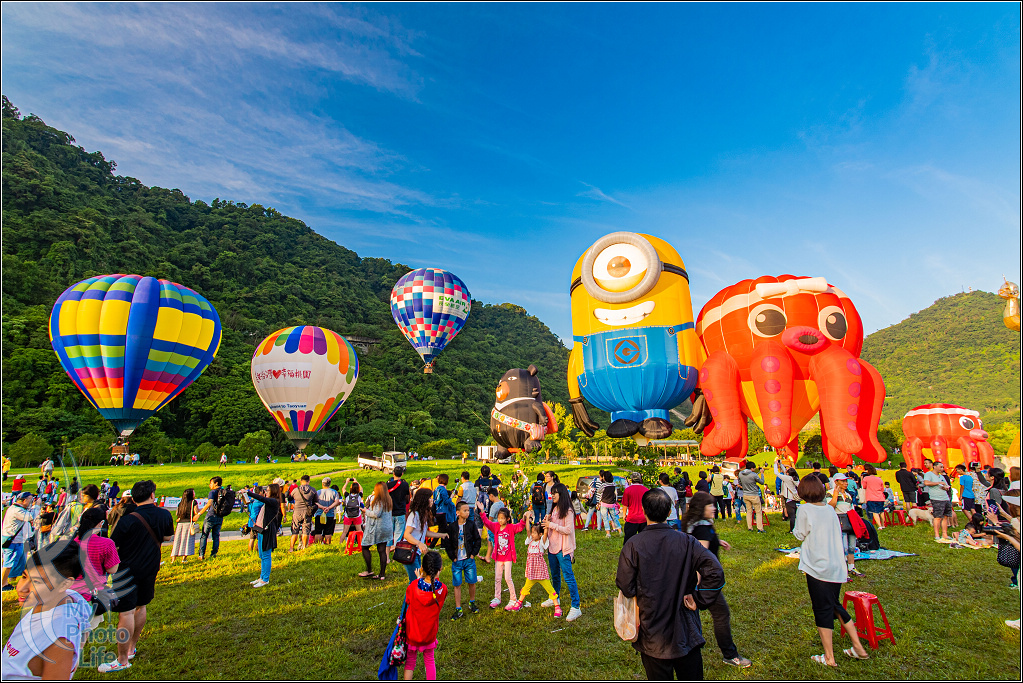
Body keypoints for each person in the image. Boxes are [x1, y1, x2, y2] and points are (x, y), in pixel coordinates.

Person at [615, 489, 725, 680]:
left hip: (652, 631)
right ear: (669, 512)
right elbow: (715, 571)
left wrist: (699, 598)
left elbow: (626, 585)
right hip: (685, 630)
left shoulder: (633, 545)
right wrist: (700, 598)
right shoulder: (687, 541)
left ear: (643, 511)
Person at [792, 475, 870, 668]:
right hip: (836, 565)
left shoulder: (805, 509)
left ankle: (829, 657)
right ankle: (858, 647)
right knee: (834, 604)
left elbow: (799, 534)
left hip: (818, 567)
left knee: (822, 609)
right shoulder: (829, 509)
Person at [100, 480, 174, 673]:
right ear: (152, 495)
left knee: (126, 612)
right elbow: (167, 537)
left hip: (126, 570)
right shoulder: (165, 514)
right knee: (141, 606)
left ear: (133, 498)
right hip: (150, 567)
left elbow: (113, 544)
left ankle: (122, 660)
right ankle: (131, 647)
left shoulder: (127, 520)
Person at [2, 541, 94, 680]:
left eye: (37, 582)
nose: (21, 588)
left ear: (64, 584)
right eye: (24, 576)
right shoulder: (58, 599)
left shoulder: (58, 637)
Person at [680, 491, 752, 668]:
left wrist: (716, 541)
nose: (714, 508)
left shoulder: (692, 523)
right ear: (701, 508)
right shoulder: (703, 528)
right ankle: (730, 655)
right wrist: (695, 585)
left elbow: (696, 542)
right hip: (706, 581)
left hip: (696, 580)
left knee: (688, 614)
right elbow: (698, 558)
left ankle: (686, 645)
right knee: (721, 614)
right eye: (710, 505)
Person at [403, 550, 447, 681]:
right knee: (429, 660)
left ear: (422, 568)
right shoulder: (443, 589)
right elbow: (434, 589)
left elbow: (408, 600)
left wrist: (418, 579)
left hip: (412, 631)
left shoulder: (413, 586)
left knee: (410, 662)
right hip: (429, 633)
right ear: (440, 568)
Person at [507, 511, 560, 615]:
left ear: (540, 534)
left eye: (534, 533)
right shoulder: (530, 540)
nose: (532, 534)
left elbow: (545, 533)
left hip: (541, 572)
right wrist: (527, 518)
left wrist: (547, 522)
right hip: (531, 573)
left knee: (550, 588)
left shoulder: (542, 542)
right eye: (532, 532)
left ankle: (557, 606)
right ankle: (519, 602)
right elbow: (527, 529)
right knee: (526, 587)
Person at [545, 482, 582, 621]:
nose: (552, 495)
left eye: (555, 493)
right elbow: (552, 527)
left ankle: (576, 606)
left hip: (563, 549)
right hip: (552, 548)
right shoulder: (554, 509)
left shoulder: (568, 511)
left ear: (561, 494)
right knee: (555, 575)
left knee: (568, 577)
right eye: (552, 492)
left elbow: (568, 530)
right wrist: (547, 521)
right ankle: (555, 598)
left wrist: (551, 524)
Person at [481, 504, 526, 609]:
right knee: (497, 578)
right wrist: (482, 512)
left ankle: (513, 599)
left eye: (502, 518)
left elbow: (520, 527)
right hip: (498, 558)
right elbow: (487, 523)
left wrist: (524, 519)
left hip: (508, 558)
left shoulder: (511, 528)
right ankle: (497, 597)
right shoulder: (496, 526)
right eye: (499, 518)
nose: (500, 520)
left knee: (507, 578)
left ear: (508, 519)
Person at [70, 507, 120, 601]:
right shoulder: (107, 543)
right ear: (101, 523)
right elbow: (112, 569)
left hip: (72, 593)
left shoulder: (72, 543)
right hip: (93, 593)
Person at [442, 500, 481, 619]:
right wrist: (452, 557)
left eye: (468, 510)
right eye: (465, 510)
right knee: (457, 584)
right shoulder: (452, 527)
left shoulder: (471, 525)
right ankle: (458, 608)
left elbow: (477, 540)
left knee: (472, 581)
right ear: (458, 512)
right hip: (457, 560)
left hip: (468, 559)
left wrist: (473, 554)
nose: (467, 512)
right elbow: (447, 543)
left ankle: (472, 602)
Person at [403, 488, 449, 584]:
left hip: (416, 552)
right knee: (415, 581)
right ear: (423, 500)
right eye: (430, 498)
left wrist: (441, 535)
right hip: (409, 551)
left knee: (418, 580)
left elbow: (425, 532)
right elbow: (407, 534)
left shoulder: (422, 514)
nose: (432, 500)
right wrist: (419, 543)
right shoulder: (414, 515)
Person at [825, 474, 864, 578]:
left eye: (846, 481)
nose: (845, 483)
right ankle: (842, 569)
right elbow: (830, 507)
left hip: (850, 521)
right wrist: (836, 494)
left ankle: (851, 567)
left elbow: (851, 509)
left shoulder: (848, 495)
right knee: (843, 547)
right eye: (842, 481)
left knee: (851, 546)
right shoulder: (830, 493)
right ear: (836, 482)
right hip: (839, 520)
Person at [246, 483, 282, 588]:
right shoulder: (270, 501)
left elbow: (261, 498)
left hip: (268, 531)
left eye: (268, 490)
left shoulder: (274, 501)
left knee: (266, 555)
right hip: (262, 529)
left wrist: (248, 493)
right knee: (261, 555)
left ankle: (265, 579)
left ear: (273, 491)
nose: (266, 492)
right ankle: (262, 577)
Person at [2, 492, 37, 592]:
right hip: (12, 541)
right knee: (8, 563)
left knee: (18, 562)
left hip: (16, 540)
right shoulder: (17, 510)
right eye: (30, 500)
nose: (32, 502)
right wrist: (37, 506)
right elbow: (31, 517)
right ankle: (3, 585)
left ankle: (9, 581)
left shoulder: (15, 508)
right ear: (24, 500)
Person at [359, 482, 393, 580]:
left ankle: (369, 570)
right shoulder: (388, 499)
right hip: (387, 527)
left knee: (365, 546)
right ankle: (382, 574)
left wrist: (366, 511)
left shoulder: (377, 500)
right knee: (382, 550)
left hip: (377, 527)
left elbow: (376, 514)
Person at [196, 477, 229, 560]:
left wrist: (199, 514)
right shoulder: (224, 492)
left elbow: (209, 503)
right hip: (220, 516)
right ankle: (214, 554)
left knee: (204, 535)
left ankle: (201, 554)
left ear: (216, 483)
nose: (210, 485)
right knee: (216, 536)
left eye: (211, 483)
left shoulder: (213, 492)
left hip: (211, 516)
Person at [924, 462, 953, 543]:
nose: (942, 469)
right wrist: (938, 483)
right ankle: (937, 535)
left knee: (946, 516)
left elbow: (945, 485)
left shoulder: (941, 476)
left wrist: (945, 487)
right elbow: (926, 483)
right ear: (935, 466)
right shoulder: (929, 474)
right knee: (938, 517)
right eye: (940, 467)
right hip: (936, 498)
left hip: (945, 497)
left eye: (943, 467)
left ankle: (945, 534)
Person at [289, 475, 318, 552]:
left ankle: (291, 548)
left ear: (301, 481)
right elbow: (316, 501)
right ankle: (304, 547)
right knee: (306, 530)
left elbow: (290, 498)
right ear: (309, 481)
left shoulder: (296, 490)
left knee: (295, 530)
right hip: (307, 512)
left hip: (297, 511)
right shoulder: (312, 490)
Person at [387, 466, 411, 561]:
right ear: (402, 474)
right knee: (398, 535)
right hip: (400, 511)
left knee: (389, 534)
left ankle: (387, 557)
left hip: (390, 512)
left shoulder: (388, 485)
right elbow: (407, 497)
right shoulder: (405, 485)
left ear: (393, 473)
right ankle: (396, 556)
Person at [169, 488, 198, 564]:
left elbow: (177, 513)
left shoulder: (181, 503)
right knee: (187, 541)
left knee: (177, 541)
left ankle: (173, 559)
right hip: (188, 524)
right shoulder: (193, 502)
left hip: (180, 524)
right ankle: (184, 559)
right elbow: (196, 512)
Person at [737, 461, 765, 533]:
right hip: (754, 495)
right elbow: (762, 482)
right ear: (752, 468)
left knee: (749, 511)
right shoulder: (753, 475)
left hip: (745, 494)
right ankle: (760, 528)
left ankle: (750, 527)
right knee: (758, 512)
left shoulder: (740, 474)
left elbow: (740, 483)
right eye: (754, 468)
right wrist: (762, 473)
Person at [621, 473, 649, 543]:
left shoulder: (628, 490)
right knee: (643, 540)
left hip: (632, 518)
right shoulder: (646, 490)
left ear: (631, 480)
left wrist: (624, 515)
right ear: (640, 479)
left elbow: (625, 505)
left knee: (628, 540)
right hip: (644, 518)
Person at [775, 462, 801, 532]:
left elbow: (776, 473)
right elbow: (785, 471)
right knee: (796, 515)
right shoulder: (795, 478)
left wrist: (775, 464)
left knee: (792, 516)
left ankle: (792, 530)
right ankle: (799, 529)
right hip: (796, 498)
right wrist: (780, 464)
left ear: (788, 474)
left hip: (790, 499)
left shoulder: (787, 478)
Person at [315, 477, 341, 545]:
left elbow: (315, 502)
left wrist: (322, 507)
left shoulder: (318, 492)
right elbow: (336, 501)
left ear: (322, 484)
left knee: (318, 531)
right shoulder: (334, 492)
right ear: (329, 484)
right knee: (328, 531)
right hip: (330, 514)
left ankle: (317, 545)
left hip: (319, 513)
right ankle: (327, 544)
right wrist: (329, 508)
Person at [860, 464, 886, 531]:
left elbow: (864, 486)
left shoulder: (866, 478)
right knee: (881, 511)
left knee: (875, 512)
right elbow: (882, 489)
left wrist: (861, 479)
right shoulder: (879, 479)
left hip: (871, 497)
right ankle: (883, 525)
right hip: (880, 497)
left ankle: (879, 526)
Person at [599, 470, 623, 537]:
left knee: (605, 518)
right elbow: (616, 494)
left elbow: (599, 491)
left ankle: (608, 533)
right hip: (611, 503)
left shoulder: (604, 485)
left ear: (605, 478)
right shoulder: (613, 485)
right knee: (614, 518)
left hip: (604, 503)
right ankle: (620, 531)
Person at [432, 474, 456, 540]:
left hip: (437, 510)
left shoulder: (436, 488)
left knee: (442, 528)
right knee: (442, 529)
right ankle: (434, 543)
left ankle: (443, 543)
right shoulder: (443, 490)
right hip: (442, 510)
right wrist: (451, 498)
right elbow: (446, 501)